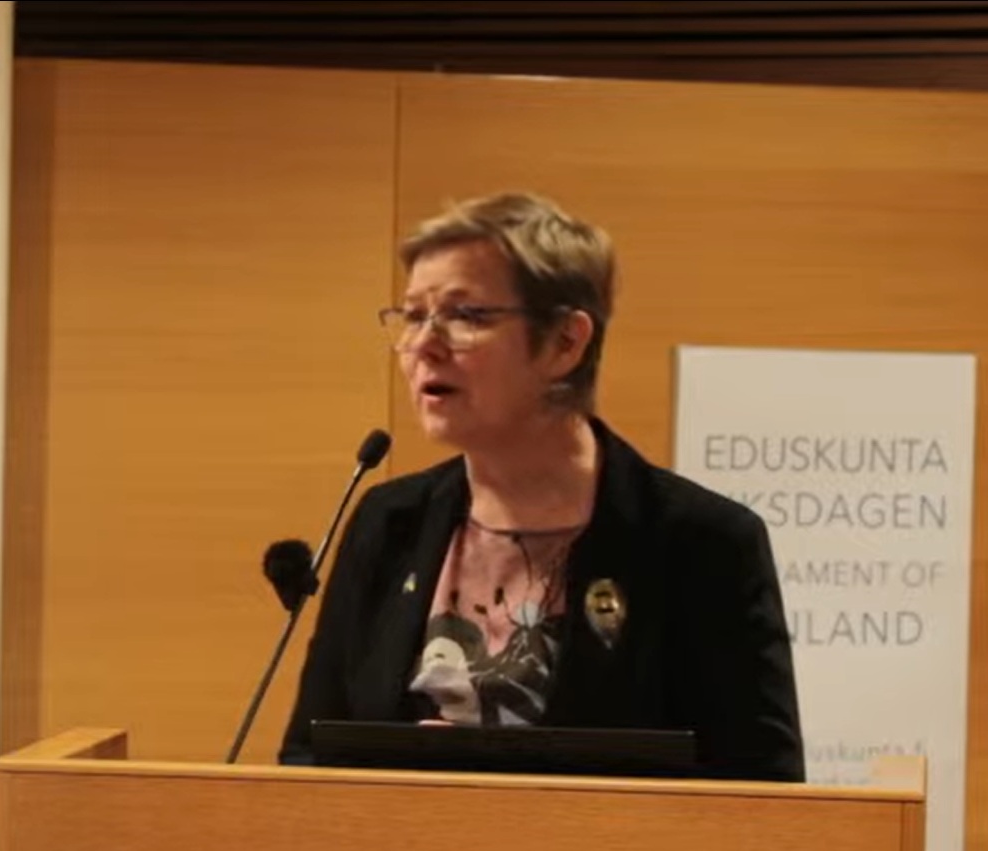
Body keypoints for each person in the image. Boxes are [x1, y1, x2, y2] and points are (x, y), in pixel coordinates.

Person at [279, 192, 804, 783]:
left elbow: (764, 795)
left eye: (466, 315)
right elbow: (308, 761)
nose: (423, 344)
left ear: (564, 342)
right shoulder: (389, 521)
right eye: (413, 315)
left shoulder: (700, 542)